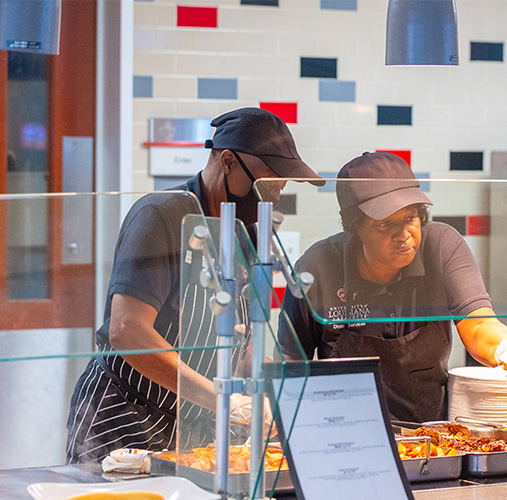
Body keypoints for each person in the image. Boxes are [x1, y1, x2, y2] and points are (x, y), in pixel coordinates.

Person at [66, 107, 322, 463]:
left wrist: (283, 390)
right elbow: (127, 331)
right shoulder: (162, 215)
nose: (275, 196)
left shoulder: (241, 230)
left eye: (280, 186)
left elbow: (239, 341)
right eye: (269, 183)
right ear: (228, 162)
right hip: (127, 417)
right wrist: (222, 400)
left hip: (193, 426)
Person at [277, 151, 507, 422]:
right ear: (354, 227)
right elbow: (290, 363)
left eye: (411, 218)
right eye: (385, 224)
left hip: (431, 440)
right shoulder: (317, 267)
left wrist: (503, 348)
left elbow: (479, 322)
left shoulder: (442, 246)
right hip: (346, 434)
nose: (403, 235)